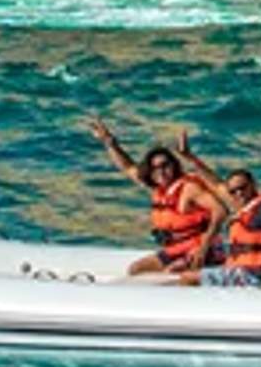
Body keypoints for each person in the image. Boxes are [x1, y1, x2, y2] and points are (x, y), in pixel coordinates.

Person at [86, 115, 224, 277]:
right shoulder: (159, 189)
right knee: (136, 269)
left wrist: (204, 246)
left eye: (165, 165)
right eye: (155, 168)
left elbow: (220, 211)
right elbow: (128, 167)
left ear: (174, 165)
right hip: (176, 248)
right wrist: (110, 143)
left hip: (200, 248)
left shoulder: (189, 188)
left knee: (170, 272)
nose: (161, 171)